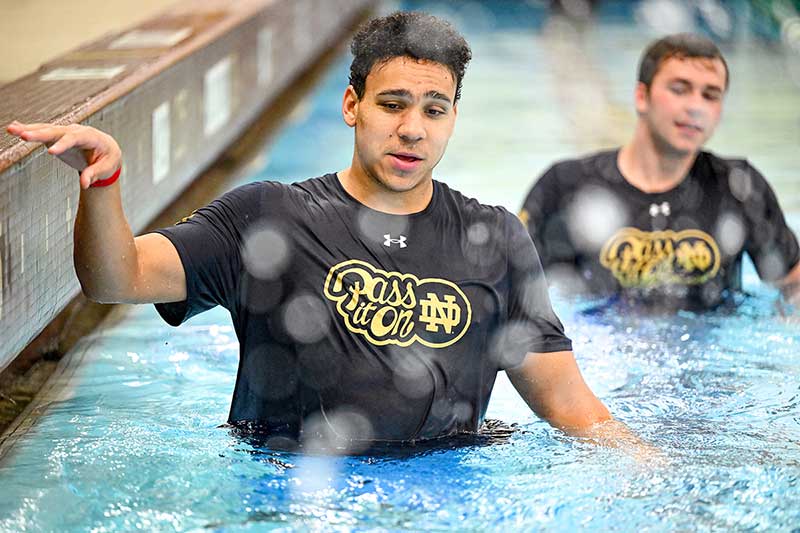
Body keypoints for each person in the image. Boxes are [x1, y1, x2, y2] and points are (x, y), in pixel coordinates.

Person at [8, 12, 640, 452]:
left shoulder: (496, 237)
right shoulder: (269, 217)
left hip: (448, 495)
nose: (412, 129)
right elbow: (116, 279)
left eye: (434, 110)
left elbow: (566, 404)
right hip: (287, 491)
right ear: (350, 106)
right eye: (392, 105)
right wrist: (102, 183)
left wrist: (647, 469)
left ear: (452, 120)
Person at [520, 33, 800, 310]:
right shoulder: (567, 186)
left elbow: (793, 285)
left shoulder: (739, 186)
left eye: (710, 95)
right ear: (642, 96)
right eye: (680, 89)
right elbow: (512, 290)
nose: (696, 107)